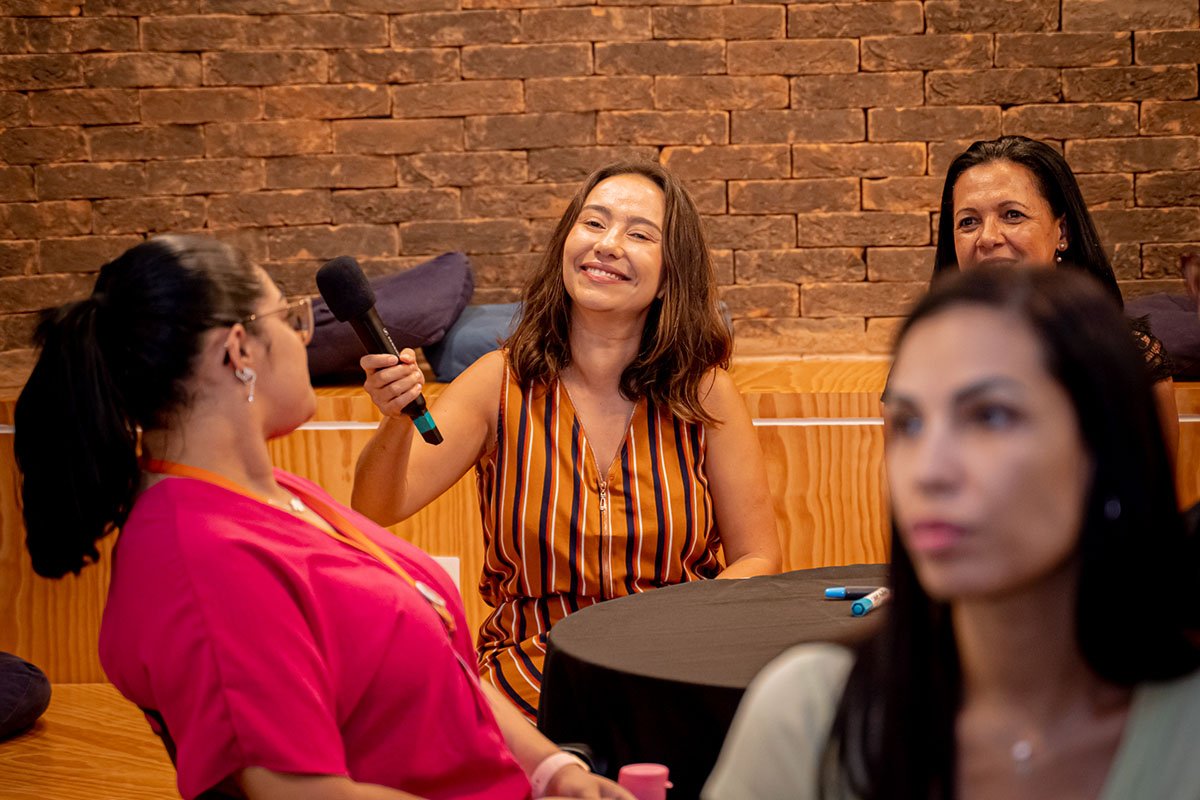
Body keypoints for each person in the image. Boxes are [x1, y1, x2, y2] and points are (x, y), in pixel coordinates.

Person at [14, 235, 632, 800]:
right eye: (289, 318)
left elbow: (443, 669)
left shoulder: (277, 495)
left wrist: (555, 773)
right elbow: (300, 792)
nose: (304, 337)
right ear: (239, 350)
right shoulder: (201, 561)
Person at [705, 268, 1200, 799]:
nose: (929, 470)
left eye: (990, 416)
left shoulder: (1184, 728)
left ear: (1101, 449)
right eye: (909, 424)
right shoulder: (811, 716)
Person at [353, 161, 782, 718]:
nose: (608, 245)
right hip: (531, 677)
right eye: (594, 223)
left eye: (639, 234)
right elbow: (377, 507)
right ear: (565, 244)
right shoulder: (497, 381)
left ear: (669, 275)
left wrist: (673, 631)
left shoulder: (706, 393)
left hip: (671, 672)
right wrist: (394, 417)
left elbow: (758, 555)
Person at [930, 134, 1179, 456]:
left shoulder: (1131, 360)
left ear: (1062, 231)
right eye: (968, 222)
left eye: (1012, 215)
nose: (988, 237)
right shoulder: (926, 360)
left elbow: (1155, 485)